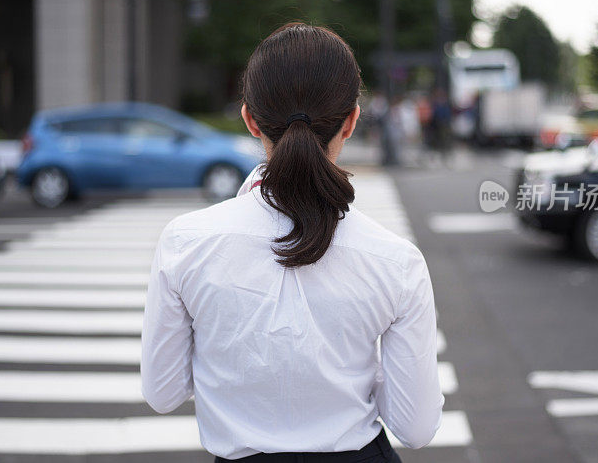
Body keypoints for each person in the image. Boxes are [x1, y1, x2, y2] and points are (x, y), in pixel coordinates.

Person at [141, 23, 444, 462]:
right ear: (352, 121)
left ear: (249, 119)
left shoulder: (185, 244)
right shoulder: (396, 261)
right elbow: (415, 428)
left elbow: (163, 393)